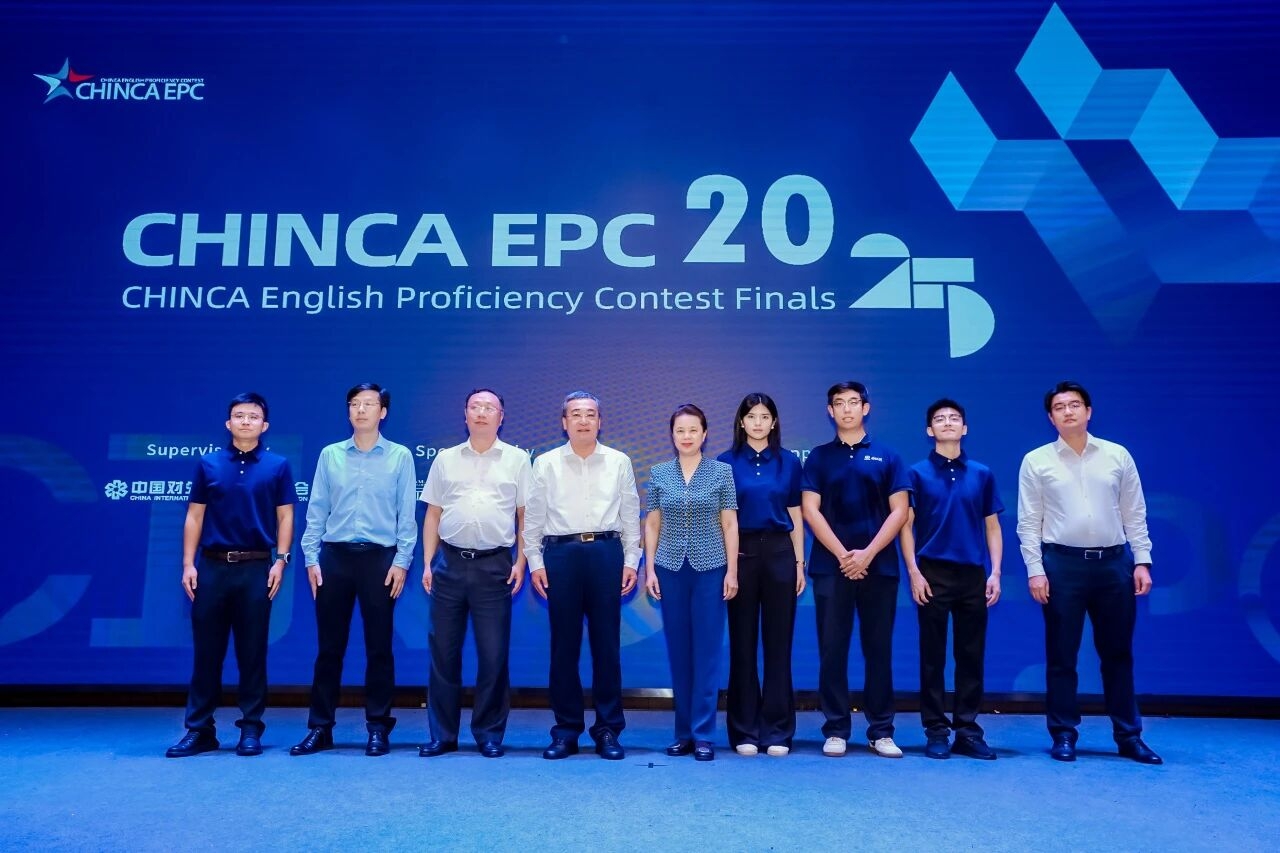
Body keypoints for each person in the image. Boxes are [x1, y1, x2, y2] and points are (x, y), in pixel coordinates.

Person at [1017, 381, 1161, 764]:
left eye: (1075, 405)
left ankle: (1129, 736)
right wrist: (1035, 570)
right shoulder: (1036, 461)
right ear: (1051, 418)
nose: (1068, 411)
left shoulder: (1117, 455)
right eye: (1059, 407)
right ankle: (1064, 734)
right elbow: (1029, 521)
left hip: (1114, 565)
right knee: (1061, 655)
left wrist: (1142, 559)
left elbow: (1134, 512)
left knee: (1118, 653)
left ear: (1089, 411)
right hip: (1061, 565)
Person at [291, 383, 417, 757]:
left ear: (383, 412)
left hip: (380, 560)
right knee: (329, 648)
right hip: (335, 558)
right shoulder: (330, 455)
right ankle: (320, 727)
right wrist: (311, 558)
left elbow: (406, 514)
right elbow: (317, 510)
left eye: (368, 404)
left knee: (379, 648)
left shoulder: (400, 456)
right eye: (354, 404)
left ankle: (378, 726)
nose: (360, 410)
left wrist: (402, 561)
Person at [166, 392, 295, 758]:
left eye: (253, 416)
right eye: (239, 415)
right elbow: (194, 516)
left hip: (256, 567)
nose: (245, 421)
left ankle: (251, 728)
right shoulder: (208, 464)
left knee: (252, 652)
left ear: (264, 425)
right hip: (211, 567)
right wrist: (188, 564)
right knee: (207, 653)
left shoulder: (278, 465)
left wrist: (281, 560)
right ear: (228, 423)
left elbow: (285, 515)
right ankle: (199, 730)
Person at [524, 391, 641, 761]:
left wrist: (631, 560)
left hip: (607, 552)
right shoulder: (545, 463)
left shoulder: (619, 461)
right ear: (564, 422)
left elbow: (630, 514)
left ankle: (608, 730)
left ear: (600, 421)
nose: (584, 420)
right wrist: (535, 562)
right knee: (564, 648)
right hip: (561, 555)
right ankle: (566, 731)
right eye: (576, 414)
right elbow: (533, 517)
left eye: (590, 414)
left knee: (607, 647)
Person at [801, 381, 910, 759]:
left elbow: (900, 511)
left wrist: (867, 554)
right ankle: (836, 728)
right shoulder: (818, 457)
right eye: (839, 403)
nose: (846, 409)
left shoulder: (888, 456)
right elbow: (810, 510)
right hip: (831, 568)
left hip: (879, 567)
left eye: (853, 402)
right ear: (830, 411)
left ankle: (881, 730)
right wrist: (844, 555)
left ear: (866, 408)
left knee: (878, 649)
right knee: (832, 649)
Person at [419, 388, 529, 759]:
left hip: (495, 565)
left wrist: (521, 562)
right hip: (449, 564)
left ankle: (489, 733)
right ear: (465, 414)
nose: (482, 413)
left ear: (501, 416)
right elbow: (433, 514)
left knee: (493, 654)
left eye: (489, 407)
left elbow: (525, 516)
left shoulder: (517, 460)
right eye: (475, 407)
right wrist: (428, 562)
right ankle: (442, 734)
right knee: (443, 653)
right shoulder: (446, 459)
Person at [899, 398, 1003, 760]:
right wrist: (913, 571)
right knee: (932, 656)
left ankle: (968, 730)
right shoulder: (915, 474)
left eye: (954, 418)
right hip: (932, 573)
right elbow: (906, 527)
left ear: (965, 428)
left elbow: (992, 526)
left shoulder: (982, 473)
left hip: (973, 574)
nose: (947, 423)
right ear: (929, 430)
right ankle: (936, 730)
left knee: (970, 655)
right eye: (940, 419)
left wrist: (995, 571)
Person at [644, 403, 738, 762]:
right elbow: (652, 523)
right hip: (670, 568)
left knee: (707, 653)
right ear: (672, 435)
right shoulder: (659, 473)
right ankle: (682, 733)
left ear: (704, 433)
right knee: (680, 652)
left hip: (711, 569)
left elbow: (729, 524)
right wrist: (649, 569)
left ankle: (703, 734)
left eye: (693, 430)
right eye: (680, 430)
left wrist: (732, 571)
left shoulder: (722, 472)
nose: (686, 436)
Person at [716, 393, 805, 757]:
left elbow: (796, 514)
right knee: (742, 645)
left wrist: (799, 563)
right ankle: (744, 730)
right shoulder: (725, 463)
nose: (758, 422)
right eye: (751, 416)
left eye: (764, 416)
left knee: (778, 645)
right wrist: (729, 567)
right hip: (741, 554)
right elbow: (723, 520)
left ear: (774, 422)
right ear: (741, 421)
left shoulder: (789, 462)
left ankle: (778, 731)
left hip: (781, 553)